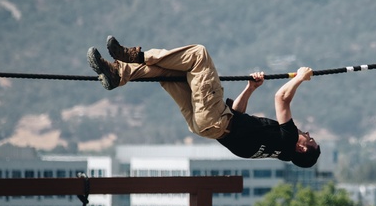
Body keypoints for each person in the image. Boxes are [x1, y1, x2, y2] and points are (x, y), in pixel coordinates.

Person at [87, 37, 320, 168]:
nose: (307, 133)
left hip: (215, 118)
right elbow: (238, 116)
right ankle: (118, 73)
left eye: (309, 138)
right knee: (166, 73)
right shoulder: (276, 150)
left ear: (301, 148)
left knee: (199, 54)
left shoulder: (288, 139)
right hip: (206, 125)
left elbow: (281, 97)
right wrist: (250, 89)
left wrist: (300, 77)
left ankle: (137, 56)